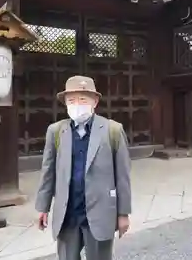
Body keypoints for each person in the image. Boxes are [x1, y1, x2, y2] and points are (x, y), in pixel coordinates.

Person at [35, 75, 132, 260]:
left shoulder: (112, 130)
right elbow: (47, 173)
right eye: (71, 100)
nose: (76, 104)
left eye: (82, 99)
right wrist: (43, 207)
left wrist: (123, 214)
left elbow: (123, 177)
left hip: (99, 213)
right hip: (67, 214)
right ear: (65, 103)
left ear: (94, 102)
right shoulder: (55, 131)